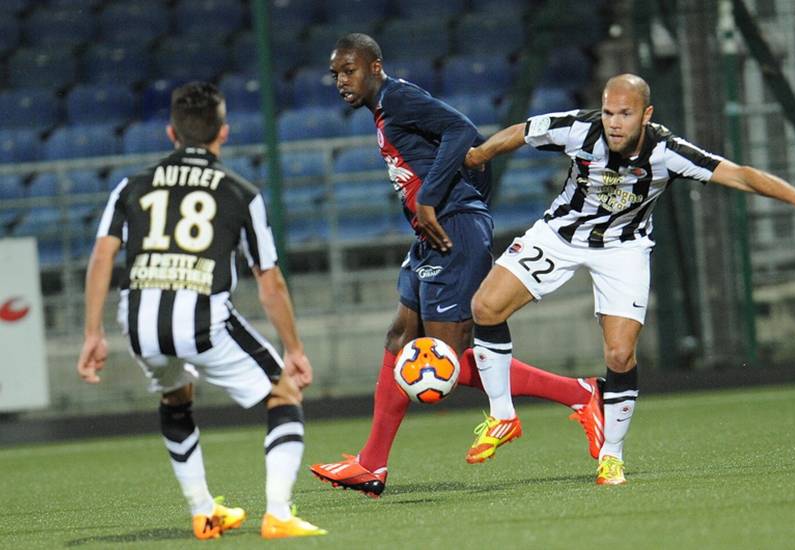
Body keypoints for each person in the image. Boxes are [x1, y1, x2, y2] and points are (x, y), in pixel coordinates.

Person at [464, 73, 795, 485]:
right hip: (561, 235)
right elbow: (523, 132)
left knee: (619, 355)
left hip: (624, 250)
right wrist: (477, 156)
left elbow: (738, 174)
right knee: (484, 307)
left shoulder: (667, 152)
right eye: (609, 111)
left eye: (625, 114)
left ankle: (611, 454)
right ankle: (503, 415)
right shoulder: (579, 129)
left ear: (646, 115)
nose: (614, 122)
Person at [309, 33, 605, 497]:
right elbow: (460, 154)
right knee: (400, 338)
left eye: (349, 70)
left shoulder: (400, 98)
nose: (341, 81)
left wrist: (442, 202)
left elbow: (463, 133)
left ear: (375, 67)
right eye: (336, 74)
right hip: (430, 234)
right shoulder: (386, 108)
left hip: (452, 231)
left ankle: (583, 394)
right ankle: (372, 464)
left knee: (443, 362)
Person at [75, 82, 326, 539]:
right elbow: (270, 282)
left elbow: (100, 257)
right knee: (284, 394)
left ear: (172, 133)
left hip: (139, 323)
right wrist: (294, 348)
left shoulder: (130, 187)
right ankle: (278, 514)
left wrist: (92, 333)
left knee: (175, 397)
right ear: (223, 133)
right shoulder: (240, 193)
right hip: (202, 319)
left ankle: (203, 511)